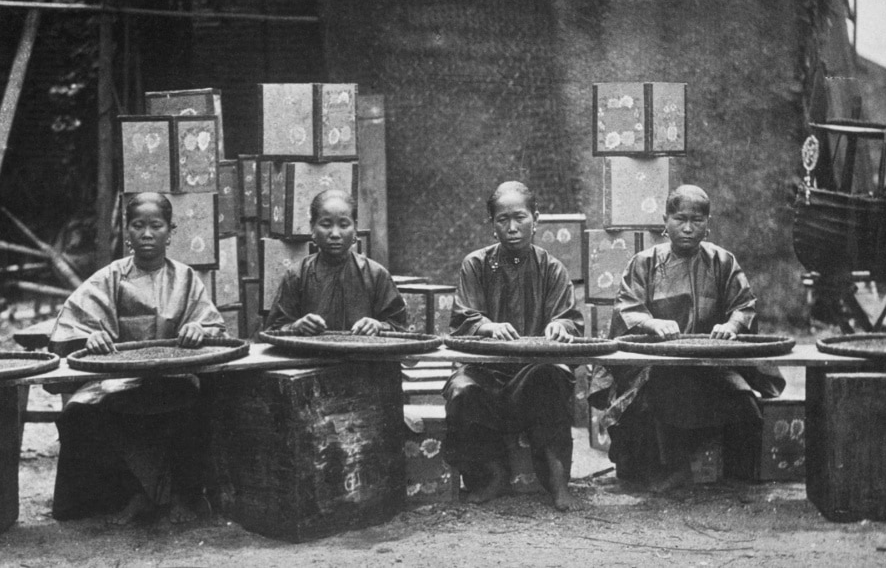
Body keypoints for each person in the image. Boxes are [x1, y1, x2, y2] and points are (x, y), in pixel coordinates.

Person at [588, 185, 784, 491]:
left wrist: (731, 326)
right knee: (654, 399)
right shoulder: (645, 262)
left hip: (712, 364)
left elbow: (744, 306)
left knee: (743, 399)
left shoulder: (723, 261)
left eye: (697, 220)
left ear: (708, 224)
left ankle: (733, 473)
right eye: (680, 219)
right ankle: (668, 469)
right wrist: (652, 323)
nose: (688, 228)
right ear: (665, 221)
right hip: (656, 365)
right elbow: (627, 308)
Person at [49, 192, 226, 524]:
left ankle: (183, 497)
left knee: (205, 403)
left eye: (156, 225)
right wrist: (92, 336)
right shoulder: (109, 278)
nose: (147, 234)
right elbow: (70, 328)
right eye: (138, 225)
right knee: (78, 415)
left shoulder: (186, 279)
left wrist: (197, 330)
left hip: (174, 380)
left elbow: (215, 326)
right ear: (127, 232)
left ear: (170, 232)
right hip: (117, 382)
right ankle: (129, 494)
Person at [442, 181, 587, 511]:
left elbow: (569, 318)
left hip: (532, 373)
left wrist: (559, 327)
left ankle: (557, 480)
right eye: (502, 220)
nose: (512, 228)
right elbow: (464, 317)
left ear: (536, 219)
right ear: (491, 225)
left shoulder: (552, 268)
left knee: (552, 374)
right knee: (462, 390)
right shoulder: (475, 265)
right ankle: (491, 475)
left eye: (520, 218)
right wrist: (487, 326)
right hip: (485, 371)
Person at [264, 189, 407, 334]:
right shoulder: (297, 275)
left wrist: (377, 326)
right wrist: (296, 327)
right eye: (326, 225)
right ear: (312, 227)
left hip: (362, 356)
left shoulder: (376, 275)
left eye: (344, 225)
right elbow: (273, 329)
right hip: (311, 356)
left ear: (355, 228)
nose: (335, 234)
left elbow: (399, 326)